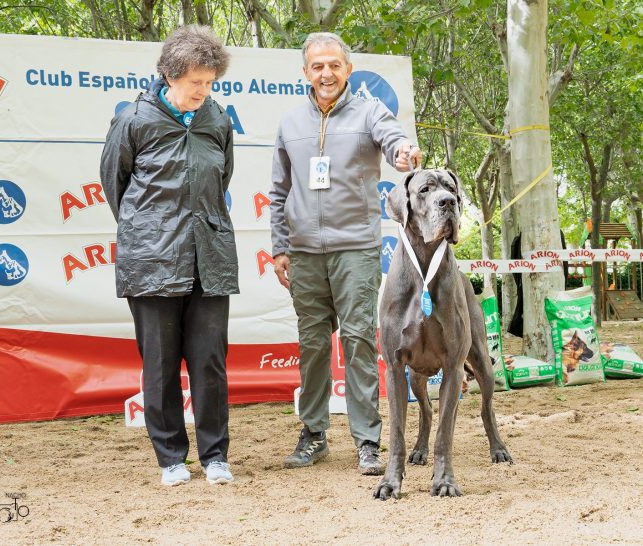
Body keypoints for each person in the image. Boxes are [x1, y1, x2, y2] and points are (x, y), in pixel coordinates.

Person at [269, 32, 422, 475]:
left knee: (357, 341)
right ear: (305, 73)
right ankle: (313, 435)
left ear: (348, 69)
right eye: (317, 66)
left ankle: (368, 442)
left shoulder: (370, 111)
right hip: (303, 253)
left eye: (334, 65)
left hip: (355, 248)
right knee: (312, 345)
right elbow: (279, 191)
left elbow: (393, 140)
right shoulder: (290, 123)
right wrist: (281, 247)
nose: (326, 73)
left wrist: (403, 152)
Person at [100, 25, 237, 487]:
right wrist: (153, 230)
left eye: (210, 82)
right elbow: (114, 188)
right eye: (196, 82)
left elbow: (222, 180)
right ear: (169, 75)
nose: (204, 90)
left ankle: (215, 455)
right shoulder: (134, 121)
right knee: (159, 363)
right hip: (152, 259)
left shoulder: (217, 120)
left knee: (209, 362)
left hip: (210, 257)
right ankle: (170, 458)